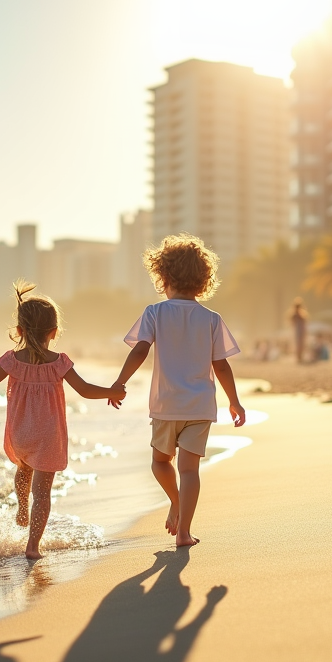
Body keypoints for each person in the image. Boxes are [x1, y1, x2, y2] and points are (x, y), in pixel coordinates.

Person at [0, 283, 125, 559]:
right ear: (54, 332)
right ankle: (33, 546)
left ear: (19, 330)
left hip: (21, 433)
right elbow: (85, 390)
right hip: (49, 436)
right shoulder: (59, 363)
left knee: (23, 468)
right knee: (42, 495)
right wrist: (112, 391)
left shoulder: (12, 361)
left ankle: (21, 506)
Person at [110, 234, 246, 548]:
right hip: (199, 406)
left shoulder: (154, 313)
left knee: (160, 462)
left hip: (166, 405)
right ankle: (184, 532)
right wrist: (234, 402)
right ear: (203, 280)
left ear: (164, 276)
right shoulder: (211, 319)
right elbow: (221, 366)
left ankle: (175, 501)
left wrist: (120, 383)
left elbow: (140, 351)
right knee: (190, 470)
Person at [289, 298, 308, 364]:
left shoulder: (302, 314)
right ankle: (298, 357)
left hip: (300, 330)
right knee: (297, 344)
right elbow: (291, 322)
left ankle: (300, 357)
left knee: (301, 344)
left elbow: (305, 322)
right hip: (297, 330)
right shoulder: (293, 314)